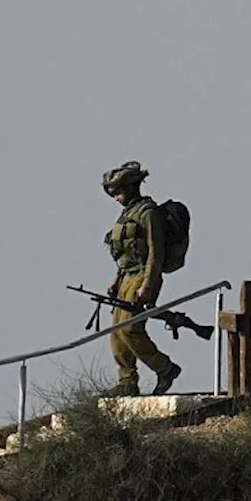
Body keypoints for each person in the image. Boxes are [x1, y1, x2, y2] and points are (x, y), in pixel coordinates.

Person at [100, 161, 182, 397]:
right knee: (117, 331)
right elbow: (124, 253)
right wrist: (116, 280)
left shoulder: (148, 213)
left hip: (143, 277)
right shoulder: (127, 215)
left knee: (130, 329)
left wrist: (147, 284)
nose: (116, 197)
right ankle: (127, 381)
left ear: (132, 186)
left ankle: (165, 368)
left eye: (119, 192)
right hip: (127, 276)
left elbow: (156, 253)